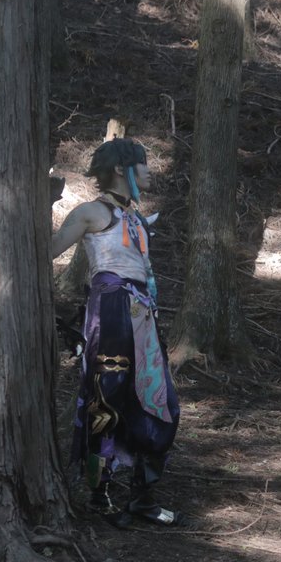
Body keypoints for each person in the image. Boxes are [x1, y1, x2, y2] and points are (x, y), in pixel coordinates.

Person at [51, 137, 182, 527]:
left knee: (160, 401)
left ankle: (143, 498)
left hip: (142, 317)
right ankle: (99, 495)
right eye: (142, 163)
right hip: (110, 314)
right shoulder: (91, 213)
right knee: (105, 400)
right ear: (122, 169)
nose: (149, 170)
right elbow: (44, 251)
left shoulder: (135, 217)